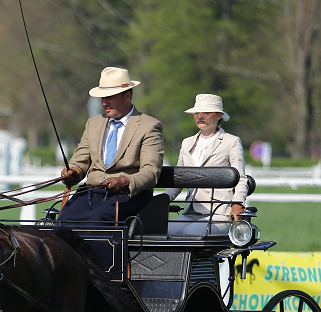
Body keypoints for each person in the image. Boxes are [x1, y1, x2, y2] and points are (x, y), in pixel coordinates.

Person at [58, 67, 164, 223]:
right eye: (102, 98)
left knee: (96, 221)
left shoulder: (149, 126)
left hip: (128, 195)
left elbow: (150, 171)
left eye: (110, 97)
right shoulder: (93, 123)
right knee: (64, 220)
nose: (104, 103)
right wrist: (72, 171)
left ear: (127, 96)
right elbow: (80, 161)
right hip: (91, 192)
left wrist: (123, 181)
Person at [164, 94, 249, 234]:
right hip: (191, 210)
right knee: (162, 231)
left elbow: (241, 178)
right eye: (197, 113)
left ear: (219, 115)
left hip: (219, 211)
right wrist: (163, 200)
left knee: (190, 234)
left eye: (206, 112)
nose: (200, 116)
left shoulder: (231, 142)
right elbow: (178, 179)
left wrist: (237, 203)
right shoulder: (187, 143)